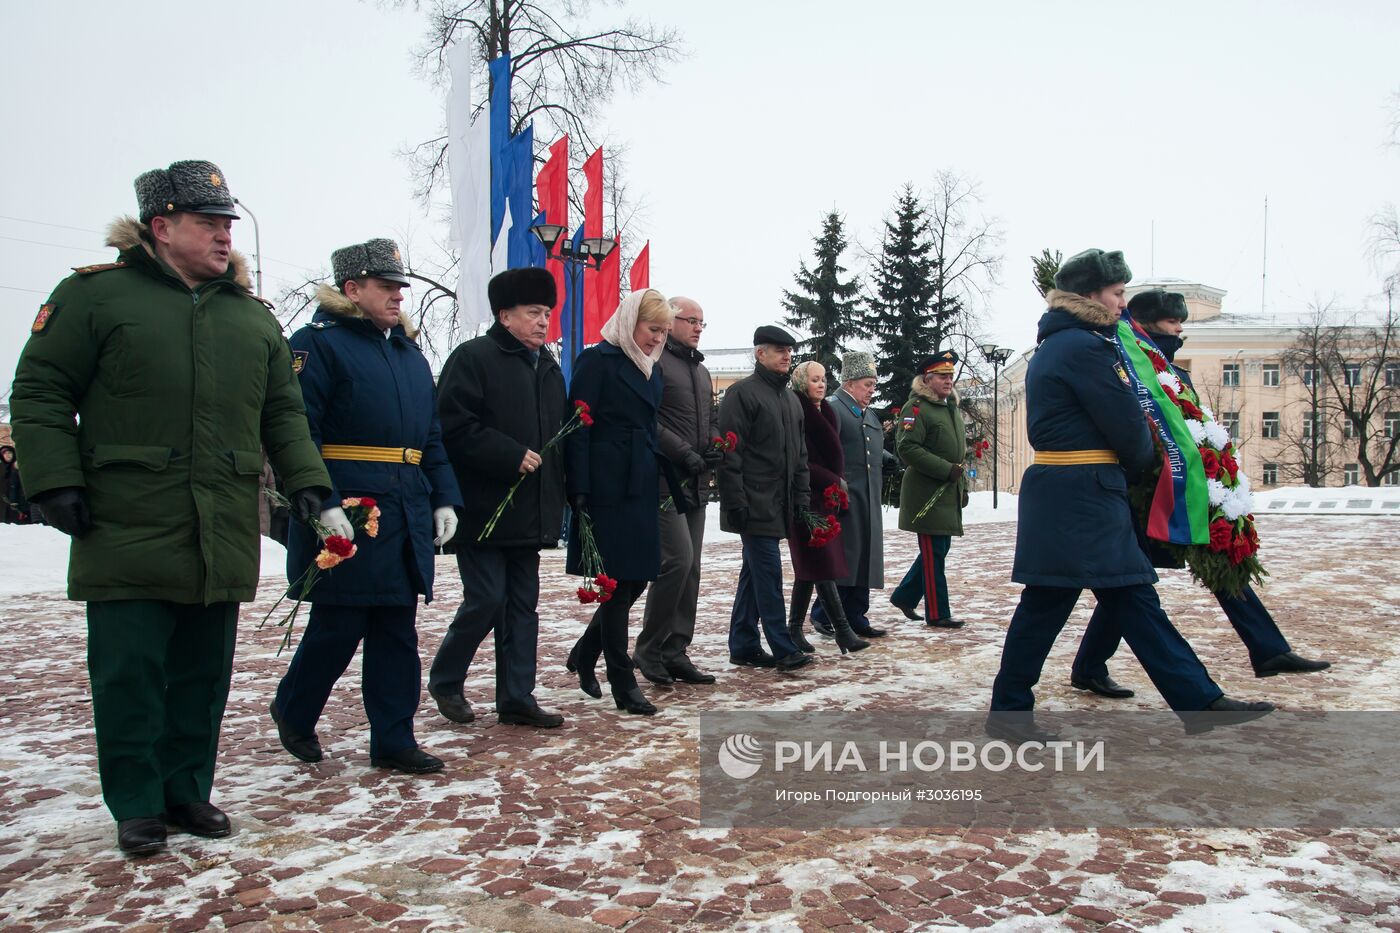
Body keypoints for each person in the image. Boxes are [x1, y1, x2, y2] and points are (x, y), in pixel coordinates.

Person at [9, 160, 331, 855]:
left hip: (221, 520)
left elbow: (283, 413)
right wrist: (53, 479)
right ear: (161, 226)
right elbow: (39, 390)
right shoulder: (96, 297)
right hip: (125, 516)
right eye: (208, 222)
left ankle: (186, 788)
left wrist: (308, 481)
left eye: (227, 224)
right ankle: (135, 802)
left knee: (201, 672)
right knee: (128, 671)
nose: (224, 236)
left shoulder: (250, 318)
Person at [986, 248, 1273, 740]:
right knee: (1114, 597)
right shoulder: (1084, 347)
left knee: (1086, 599)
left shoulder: (1064, 343)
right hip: (1084, 492)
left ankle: (1196, 701)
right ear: (1090, 295)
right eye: (1118, 293)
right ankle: (1198, 702)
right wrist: (1148, 460)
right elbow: (1127, 428)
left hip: (1070, 492)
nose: (1123, 303)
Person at [1069, 289, 1329, 696]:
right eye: (1172, 322)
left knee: (1155, 576)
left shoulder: (1173, 375)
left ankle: (1268, 648)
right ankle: (1090, 667)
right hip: (1141, 496)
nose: (1180, 330)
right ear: (1147, 324)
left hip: (1177, 492)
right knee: (1131, 585)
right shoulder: (1125, 365)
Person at [271, 238, 462, 774]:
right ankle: (294, 709)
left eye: (400, 286)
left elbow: (430, 436)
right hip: (351, 506)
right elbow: (299, 430)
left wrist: (444, 495)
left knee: (397, 629)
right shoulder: (317, 345)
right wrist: (322, 501)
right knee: (338, 625)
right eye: (386, 286)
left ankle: (394, 737)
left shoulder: (408, 353)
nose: (398, 295)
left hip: (405, 507)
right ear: (352, 289)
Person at [428, 267, 567, 728]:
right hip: (484, 509)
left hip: (530, 511)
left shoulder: (549, 368)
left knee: (522, 608)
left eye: (547, 313)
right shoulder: (473, 358)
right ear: (504, 315)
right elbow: (451, 427)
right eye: (533, 312)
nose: (543, 321)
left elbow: (556, 441)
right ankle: (446, 679)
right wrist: (508, 454)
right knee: (486, 599)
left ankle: (516, 696)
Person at [564, 289, 684, 715]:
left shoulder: (651, 368)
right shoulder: (596, 361)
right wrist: (578, 488)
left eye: (664, 332)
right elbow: (577, 425)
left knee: (636, 580)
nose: (658, 339)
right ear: (631, 321)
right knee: (615, 585)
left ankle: (585, 652)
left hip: (641, 483)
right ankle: (622, 681)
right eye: (653, 329)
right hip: (606, 486)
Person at [717, 326, 816, 673]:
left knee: (754, 574)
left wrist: (802, 499)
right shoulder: (741, 394)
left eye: (789, 351)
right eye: (779, 350)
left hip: (781, 503)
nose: (787, 356)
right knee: (769, 574)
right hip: (753, 503)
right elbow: (730, 453)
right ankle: (783, 648)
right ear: (760, 353)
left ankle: (743, 643)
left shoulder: (790, 400)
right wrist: (735, 502)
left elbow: (800, 456)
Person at [635, 296, 721, 686]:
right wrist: (683, 452)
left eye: (702, 322)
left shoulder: (700, 370)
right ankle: (649, 649)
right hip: (665, 479)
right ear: (671, 321)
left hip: (696, 480)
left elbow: (711, 417)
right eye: (692, 320)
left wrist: (716, 444)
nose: (698, 327)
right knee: (677, 562)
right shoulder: (655, 362)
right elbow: (648, 420)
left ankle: (675, 649)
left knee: (692, 569)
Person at [785, 360, 869, 654]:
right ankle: (843, 631)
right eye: (814, 380)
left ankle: (794, 629)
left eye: (823, 379)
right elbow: (799, 459)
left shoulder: (825, 411)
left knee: (810, 567)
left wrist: (836, 485)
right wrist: (834, 480)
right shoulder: (796, 410)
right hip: (804, 495)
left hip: (826, 496)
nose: (821, 384)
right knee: (820, 564)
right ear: (801, 382)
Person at [810, 351, 890, 641]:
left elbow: (865, 446)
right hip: (842, 498)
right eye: (868, 384)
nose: (871, 390)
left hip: (867, 496)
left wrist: (887, 457)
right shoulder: (833, 408)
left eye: (873, 385)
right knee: (844, 557)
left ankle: (856, 614)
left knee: (865, 556)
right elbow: (824, 450)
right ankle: (824, 614)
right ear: (850, 382)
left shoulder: (865, 412)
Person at [891, 351, 971, 629]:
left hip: (946, 491)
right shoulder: (916, 408)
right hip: (926, 494)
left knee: (938, 549)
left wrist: (961, 487)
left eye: (950, 376)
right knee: (934, 553)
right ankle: (938, 613)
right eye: (942, 376)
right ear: (927, 379)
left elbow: (957, 454)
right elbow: (907, 448)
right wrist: (946, 470)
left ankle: (905, 596)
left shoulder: (949, 407)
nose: (948, 381)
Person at [1, 445, 23, 523]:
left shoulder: (18, 466)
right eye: (4, 453)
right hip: (4, 503)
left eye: (9, 453)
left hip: (19, 502)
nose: (7, 455)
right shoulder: (2, 468)